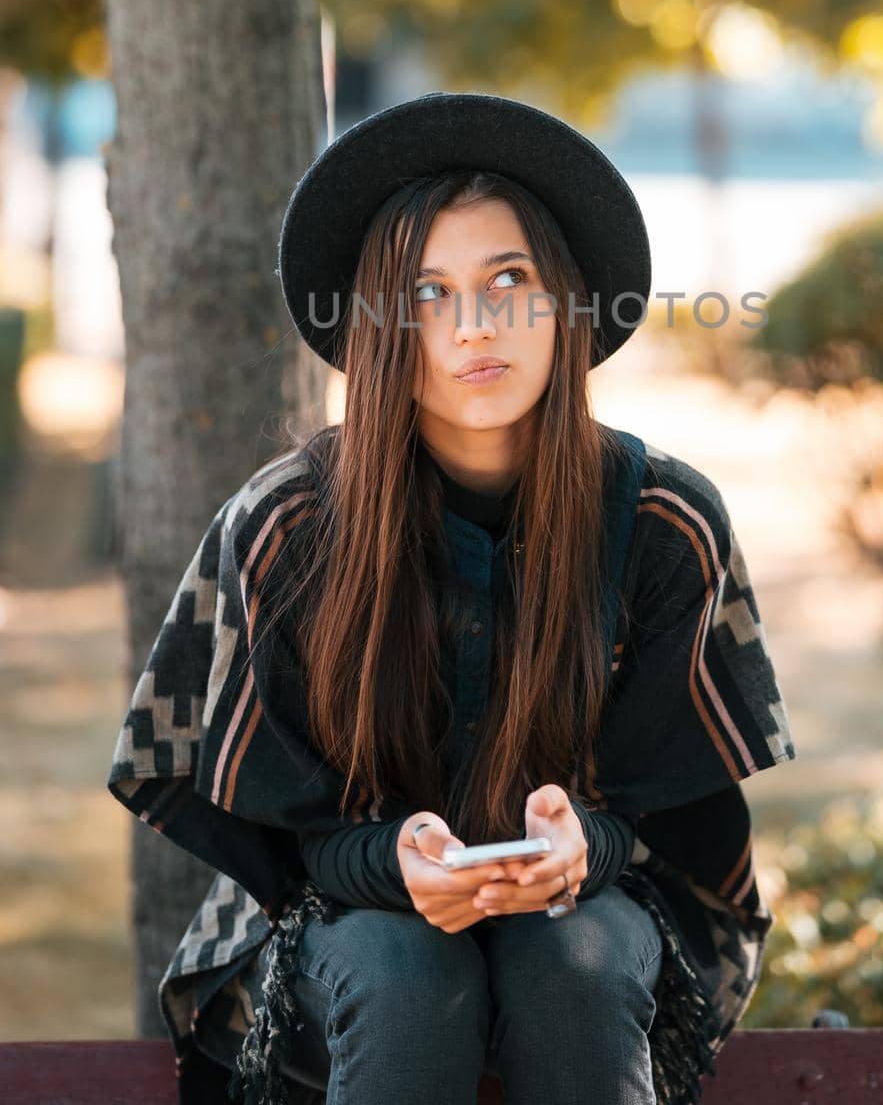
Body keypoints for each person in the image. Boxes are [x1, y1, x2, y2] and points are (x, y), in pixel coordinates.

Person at [107, 91, 798, 1105]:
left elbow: (673, 813)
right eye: (427, 294)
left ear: (564, 300)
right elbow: (279, 835)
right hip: (329, 933)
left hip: (604, 921)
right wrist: (389, 860)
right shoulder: (287, 525)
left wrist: (578, 847)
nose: (475, 325)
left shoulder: (662, 520)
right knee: (403, 968)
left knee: (575, 958)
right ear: (384, 325)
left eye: (507, 279)